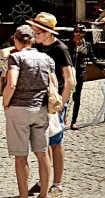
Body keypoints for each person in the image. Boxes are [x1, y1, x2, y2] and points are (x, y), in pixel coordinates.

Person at [3, 25, 56, 198]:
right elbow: (53, 85)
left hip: (19, 109)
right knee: (42, 153)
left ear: (15, 40)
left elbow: (12, 84)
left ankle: (23, 195)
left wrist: (5, 103)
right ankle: (43, 194)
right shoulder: (47, 58)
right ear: (32, 40)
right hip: (40, 108)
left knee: (20, 156)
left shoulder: (15, 58)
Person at [28, 12, 73, 197]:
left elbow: (69, 80)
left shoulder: (59, 49)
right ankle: (43, 180)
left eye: (37, 31)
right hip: (40, 100)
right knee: (42, 143)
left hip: (54, 102)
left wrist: (61, 103)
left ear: (47, 32)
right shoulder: (38, 48)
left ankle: (57, 182)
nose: (34, 34)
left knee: (56, 142)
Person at [69, 24, 105, 130]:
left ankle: (73, 121)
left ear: (84, 34)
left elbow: (93, 59)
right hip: (67, 74)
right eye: (76, 31)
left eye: (81, 32)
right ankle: (60, 119)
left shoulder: (87, 45)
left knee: (77, 97)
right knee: (65, 97)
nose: (78, 34)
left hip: (80, 73)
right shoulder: (68, 43)